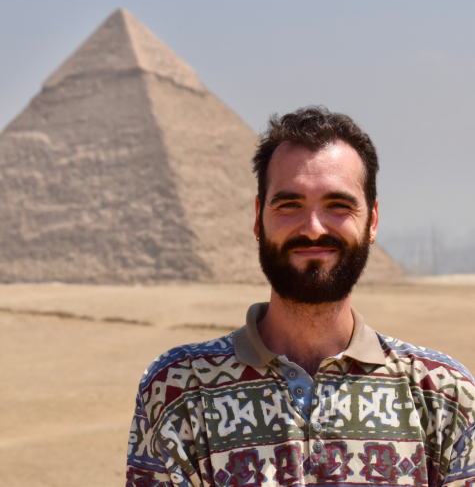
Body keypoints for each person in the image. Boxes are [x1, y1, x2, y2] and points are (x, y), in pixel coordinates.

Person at [126, 107, 475, 487]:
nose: (312, 229)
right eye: (289, 205)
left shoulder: (442, 394)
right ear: (259, 218)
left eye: (338, 205)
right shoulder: (180, 388)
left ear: (372, 221)